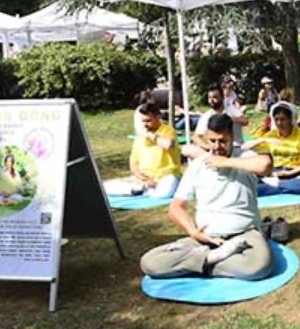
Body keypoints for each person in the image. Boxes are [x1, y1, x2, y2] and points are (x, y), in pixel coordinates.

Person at [139, 114, 274, 280]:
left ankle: (198, 263)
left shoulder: (245, 157)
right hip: (206, 238)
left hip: (243, 235)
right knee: (150, 263)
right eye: (212, 141)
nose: (217, 147)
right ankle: (212, 259)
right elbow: (175, 207)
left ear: (232, 138)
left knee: (259, 266)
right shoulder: (198, 165)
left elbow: (266, 164)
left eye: (223, 141)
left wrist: (224, 162)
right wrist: (194, 232)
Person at [248, 101, 300, 195]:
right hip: (276, 172)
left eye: (283, 119)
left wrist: (290, 173)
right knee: (250, 181)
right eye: (276, 119)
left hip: (296, 172)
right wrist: (262, 139)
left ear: (290, 120)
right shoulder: (272, 134)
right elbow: (245, 147)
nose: (279, 123)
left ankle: (277, 186)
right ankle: (283, 186)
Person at [113, 102, 182, 197]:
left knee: (163, 194)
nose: (145, 124)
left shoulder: (167, 130)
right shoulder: (140, 135)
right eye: (143, 121)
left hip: (166, 175)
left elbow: (168, 144)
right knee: (106, 188)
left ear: (158, 117)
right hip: (145, 177)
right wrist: (141, 177)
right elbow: (133, 161)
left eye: (148, 121)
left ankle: (141, 190)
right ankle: (143, 188)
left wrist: (150, 135)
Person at [183, 84, 249, 160]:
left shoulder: (231, 110)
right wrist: (209, 147)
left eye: (215, 97)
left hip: (237, 148)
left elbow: (245, 121)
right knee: (187, 149)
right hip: (216, 151)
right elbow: (196, 137)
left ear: (222, 98)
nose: (211, 100)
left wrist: (228, 119)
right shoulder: (206, 116)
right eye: (209, 98)